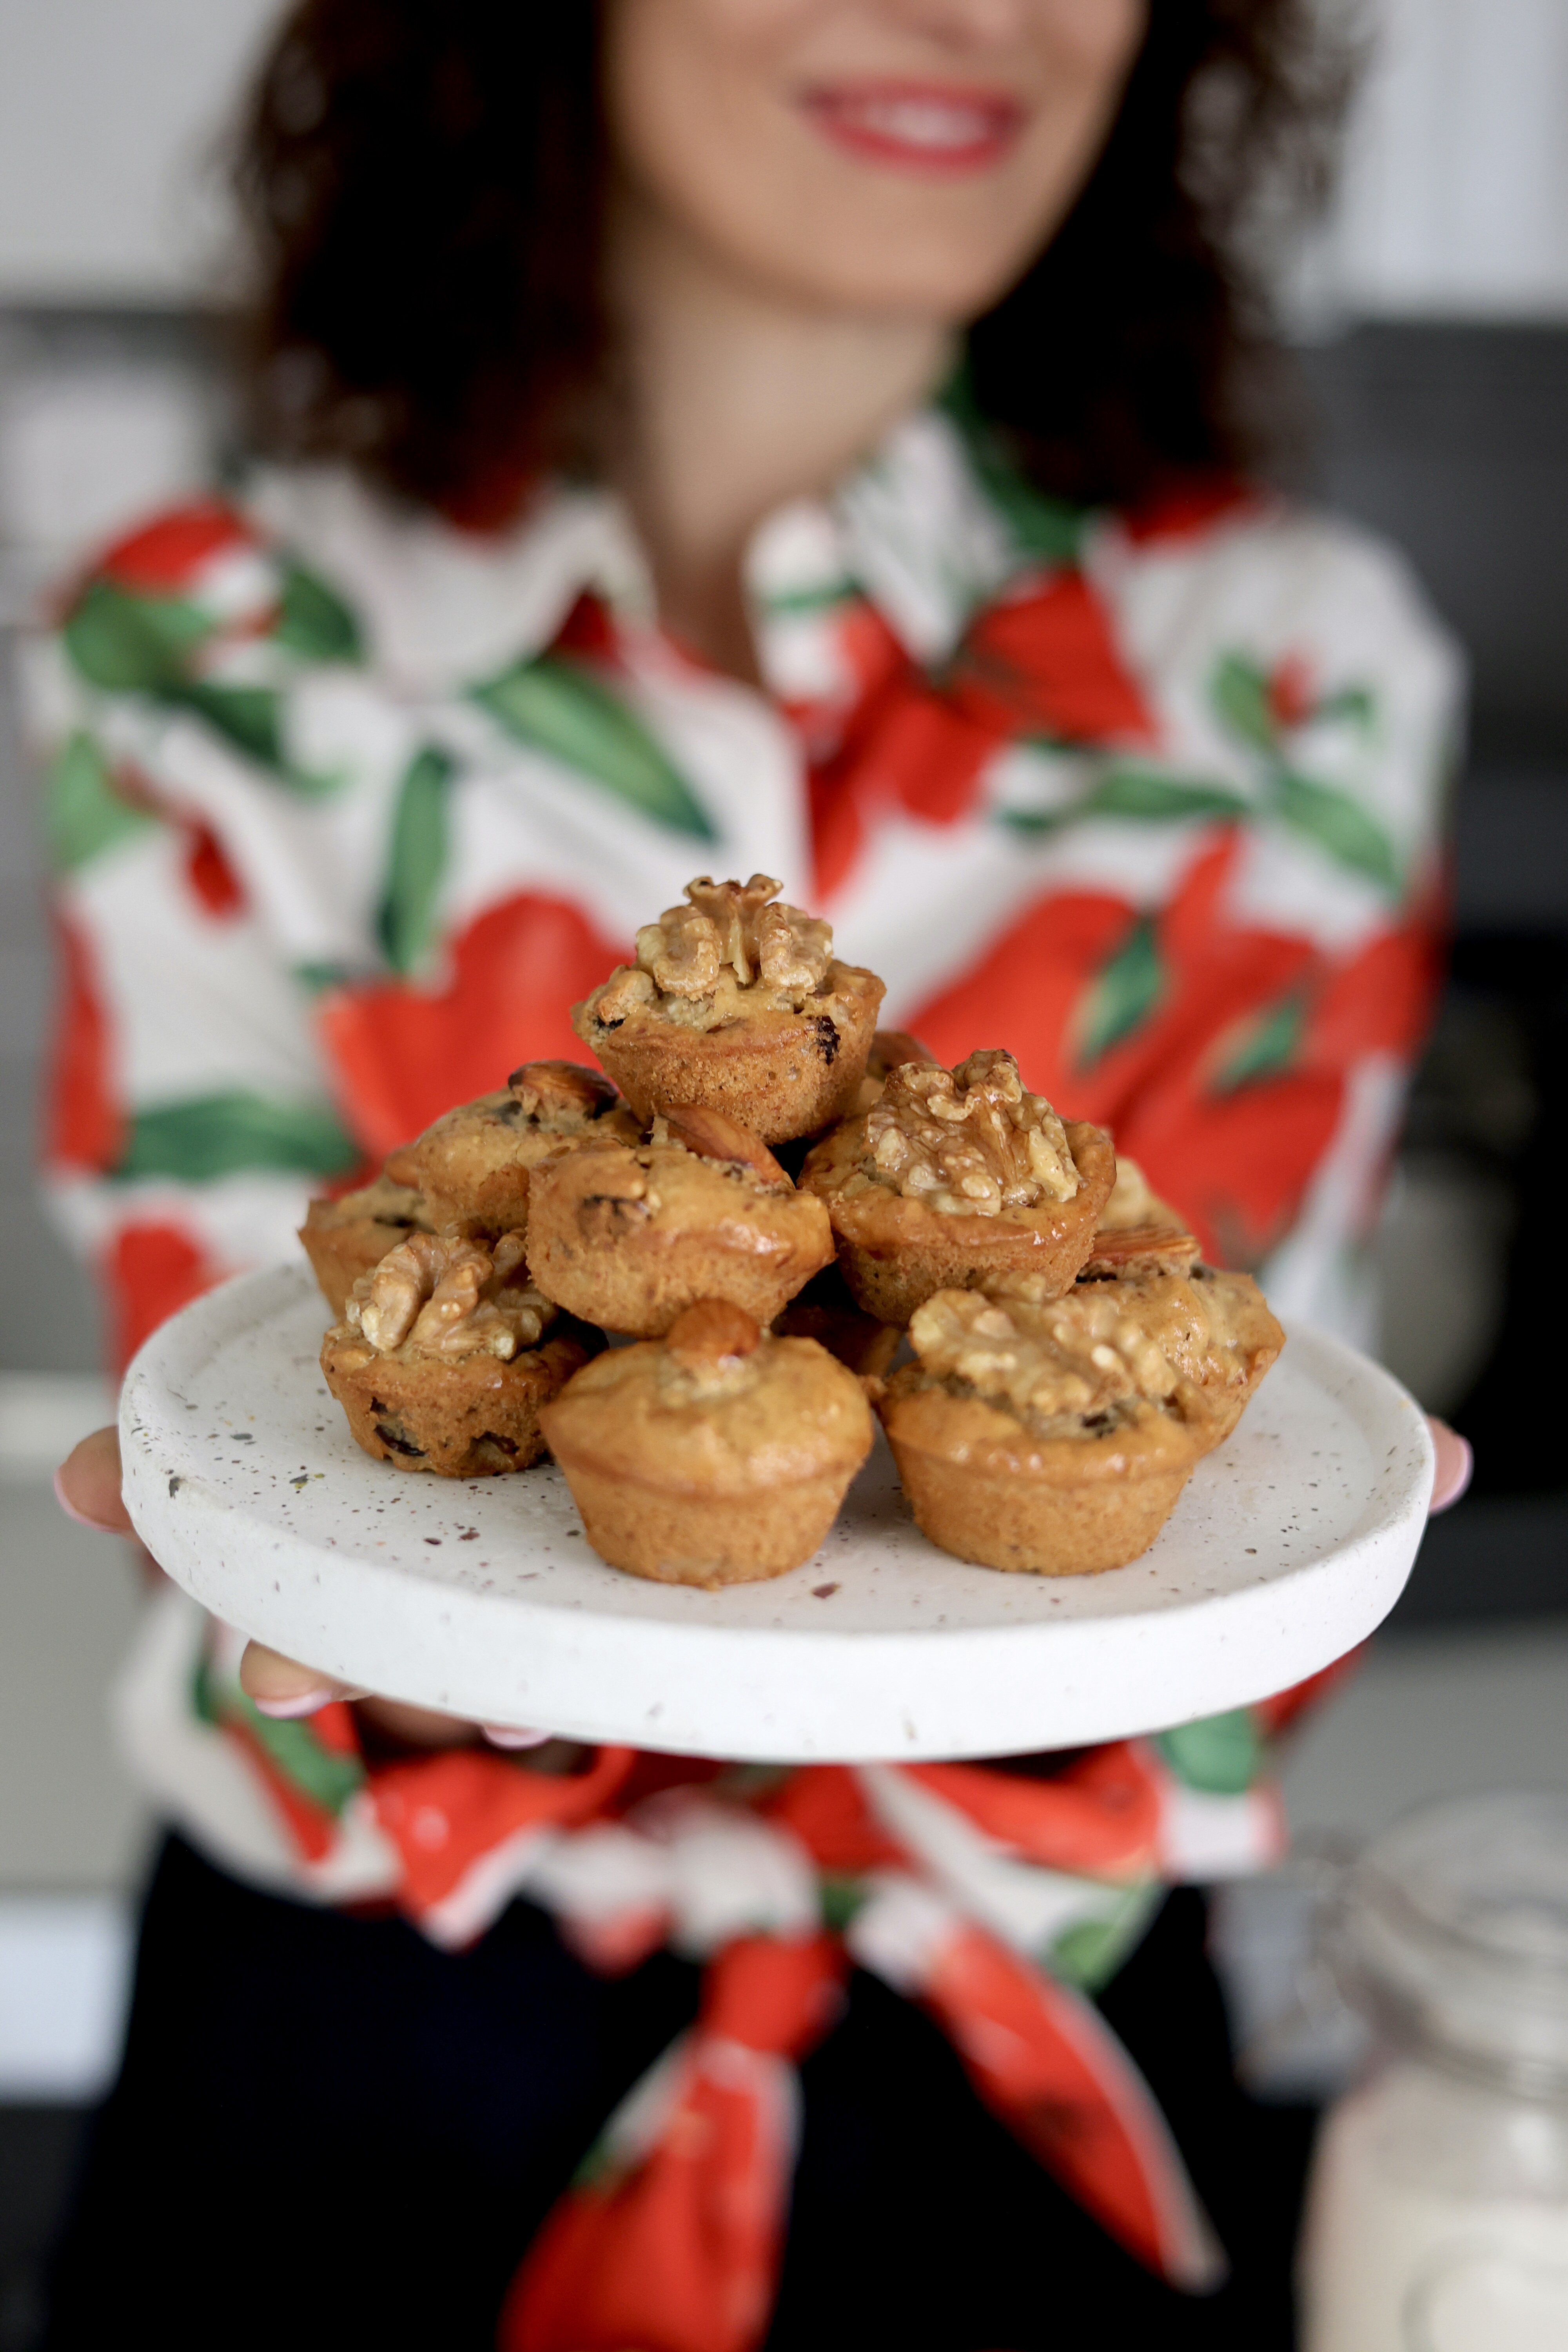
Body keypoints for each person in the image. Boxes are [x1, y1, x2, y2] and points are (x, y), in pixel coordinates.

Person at [39, 2, 1469, 2344]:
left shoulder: (1291, 682)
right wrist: (375, 1638)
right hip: (369, 2044)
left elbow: (1196, 1433)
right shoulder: (209, 653)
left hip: (1040, 2074)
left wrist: (1293, 1543)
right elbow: (275, 1426)